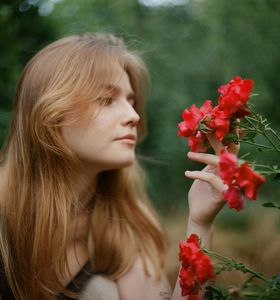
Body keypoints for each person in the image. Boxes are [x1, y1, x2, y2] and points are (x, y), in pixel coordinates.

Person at [0, 33, 239, 300]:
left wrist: (199, 223)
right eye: (105, 99)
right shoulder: (4, 219)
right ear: (50, 114)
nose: (133, 116)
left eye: (131, 101)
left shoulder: (123, 229)